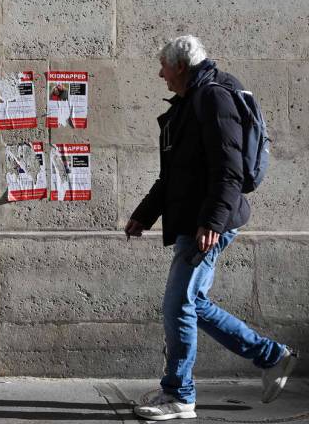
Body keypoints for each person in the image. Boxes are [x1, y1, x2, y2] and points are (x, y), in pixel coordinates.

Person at [126, 35, 297, 421]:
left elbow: (229, 168)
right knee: (193, 303)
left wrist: (212, 222)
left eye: (164, 67)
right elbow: (172, 175)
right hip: (196, 219)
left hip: (207, 222)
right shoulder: (191, 102)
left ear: (181, 66)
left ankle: (179, 395)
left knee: (178, 304)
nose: (160, 74)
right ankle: (272, 357)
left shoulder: (213, 98)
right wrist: (145, 214)